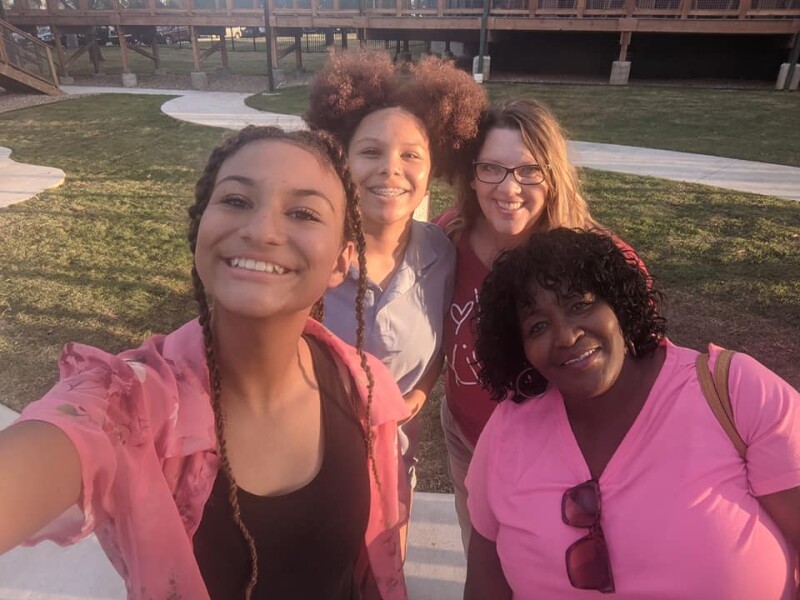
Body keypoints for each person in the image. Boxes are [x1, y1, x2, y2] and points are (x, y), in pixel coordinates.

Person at [0, 126, 410, 600]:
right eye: (236, 201)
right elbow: (60, 441)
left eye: (303, 212)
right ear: (201, 227)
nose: (261, 231)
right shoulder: (128, 405)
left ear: (342, 261)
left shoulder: (365, 389)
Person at [464, 228, 800, 598]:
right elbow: (485, 580)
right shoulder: (506, 433)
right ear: (521, 348)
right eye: (538, 326)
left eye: (580, 304)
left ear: (619, 305)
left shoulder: (734, 392)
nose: (565, 335)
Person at [436, 98, 632, 551]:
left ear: (553, 176)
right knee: (484, 562)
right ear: (472, 173)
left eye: (528, 170)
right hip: (467, 437)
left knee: (542, 569)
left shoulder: (596, 259)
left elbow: (648, 360)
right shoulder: (449, 234)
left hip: (556, 455)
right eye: (492, 168)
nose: (509, 188)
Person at [305, 51, 487, 495]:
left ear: (432, 170)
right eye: (370, 151)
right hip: (304, 464)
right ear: (341, 158)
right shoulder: (308, 254)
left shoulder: (442, 255)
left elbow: (441, 342)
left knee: (390, 564)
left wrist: (419, 395)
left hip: (396, 459)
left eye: (411, 154)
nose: (391, 167)